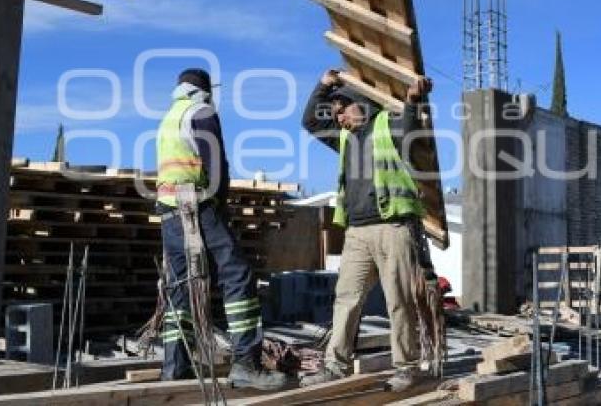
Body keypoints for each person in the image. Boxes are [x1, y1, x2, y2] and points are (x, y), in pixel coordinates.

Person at [300, 68, 434, 392]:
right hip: (357, 232)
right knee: (346, 298)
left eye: (341, 110)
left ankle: (406, 367)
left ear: (358, 104)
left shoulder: (389, 125)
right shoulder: (344, 137)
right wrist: (323, 86)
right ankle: (336, 365)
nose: (338, 118)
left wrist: (414, 99)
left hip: (394, 227)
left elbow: (413, 127)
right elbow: (310, 122)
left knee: (399, 301)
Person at [155, 68, 286, 390]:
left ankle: (175, 366)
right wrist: (219, 204)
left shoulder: (171, 115)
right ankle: (245, 363)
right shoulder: (202, 111)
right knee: (238, 275)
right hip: (197, 204)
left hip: (169, 209)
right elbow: (215, 168)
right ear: (205, 89)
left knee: (181, 285)